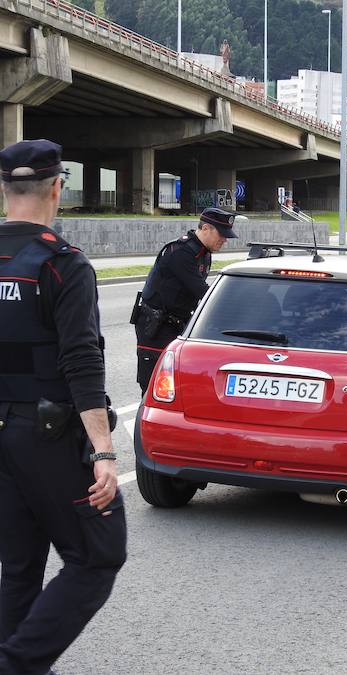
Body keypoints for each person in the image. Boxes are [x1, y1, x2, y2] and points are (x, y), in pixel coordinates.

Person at [0, 139, 126, 673]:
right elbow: (81, 361)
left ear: (4, 189)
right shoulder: (62, 264)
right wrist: (103, 451)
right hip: (46, 435)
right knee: (98, 556)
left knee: (20, 566)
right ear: (58, 187)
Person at [133, 207, 237, 394]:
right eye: (221, 234)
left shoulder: (203, 253)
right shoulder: (181, 252)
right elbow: (202, 293)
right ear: (206, 228)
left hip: (177, 324)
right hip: (156, 327)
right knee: (153, 388)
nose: (225, 240)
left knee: (176, 386)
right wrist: (230, 305)